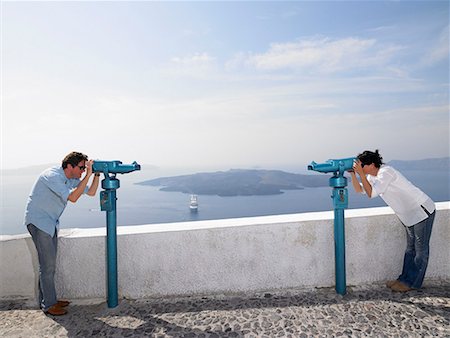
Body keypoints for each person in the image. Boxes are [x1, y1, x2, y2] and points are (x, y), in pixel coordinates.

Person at [24, 151, 100, 315]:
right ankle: (49, 305)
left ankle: (49, 299)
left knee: (48, 265)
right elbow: (73, 198)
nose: (82, 171)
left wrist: (96, 175)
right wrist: (88, 174)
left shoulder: (70, 179)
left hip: (50, 223)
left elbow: (91, 192)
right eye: (81, 168)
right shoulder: (52, 176)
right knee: (47, 266)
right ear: (69, 166)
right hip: (39, 222)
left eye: (83, 168)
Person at [350, 150, 435, 292]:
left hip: (421, 211)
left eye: (362, 165)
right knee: (410, 249)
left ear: (371, 164)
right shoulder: (371, 177)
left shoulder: (386, 172)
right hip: (408, 215)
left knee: (420, 251)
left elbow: (371, 194)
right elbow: (360, 190)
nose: (360, 168)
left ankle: (412, 283)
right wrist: (354, 174)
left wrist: (360, 174)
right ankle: (404, 279)